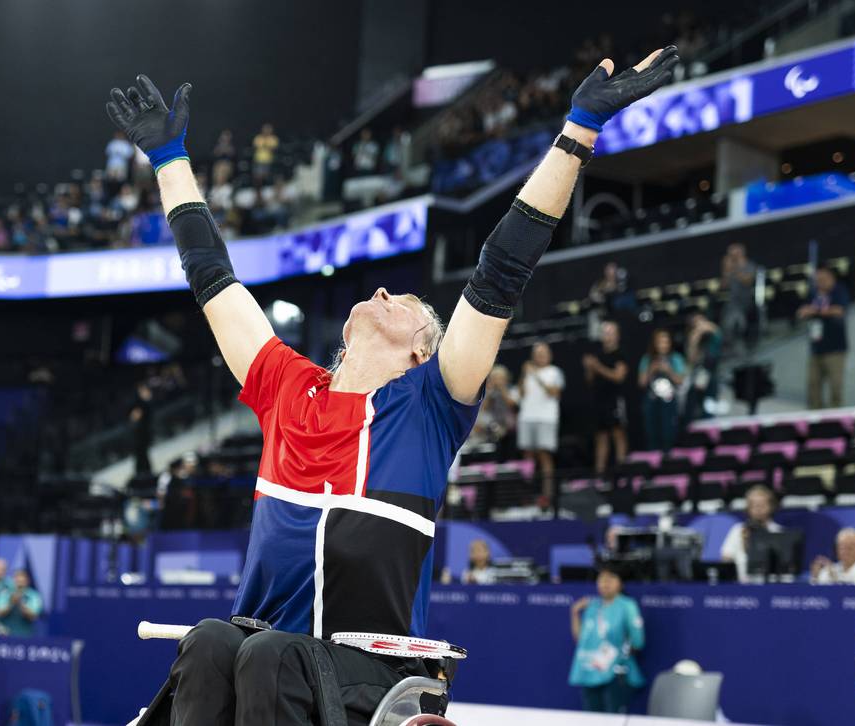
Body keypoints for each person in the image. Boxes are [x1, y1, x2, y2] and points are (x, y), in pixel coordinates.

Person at [106, 45, 679, 725]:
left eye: (403, 300)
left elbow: (501, 271)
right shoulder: (287, 387)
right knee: (209, 642)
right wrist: (171, 163)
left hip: (373, 674)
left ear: (422, 348)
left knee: (265, 656)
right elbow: (212, 278)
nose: (382, 290)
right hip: (267, 655)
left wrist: (577, 132)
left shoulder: (432, 401)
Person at [568, 566, 645, 714]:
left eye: (610, 579)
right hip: (590, 670)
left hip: (615, 673)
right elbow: (581, 639)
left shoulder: (627, 606)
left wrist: (620, 657)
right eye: (602, 579)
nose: (605, 583)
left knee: (613, 718)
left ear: (620, 583)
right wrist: (575, 613)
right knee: (592, 718)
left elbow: (637, 641)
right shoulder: (592, 606)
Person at [517, 341, 565, 510]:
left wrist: (536, 375)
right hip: (527, 418)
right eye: (537, 354)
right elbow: (520, 394)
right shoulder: (527, 372)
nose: (540, 356)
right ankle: (527, 495)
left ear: (549, 355)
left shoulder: (555, 372)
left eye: (543, 353)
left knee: (545, 456)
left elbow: (555, 393)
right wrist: (524, 375)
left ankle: (547, 496)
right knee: (528, 457)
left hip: (546, 418)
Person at [797, 264, 850, 409]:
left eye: (823, 279)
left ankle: (835, 421)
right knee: (813, 386)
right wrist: (809, 311)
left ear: (831, 278)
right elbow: (802, 312)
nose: (820, 282)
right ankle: (815, 422)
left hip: (835, 349)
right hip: (816, 348)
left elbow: (839, 310)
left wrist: (815, 310)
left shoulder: (839, 291)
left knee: (835, 387)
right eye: (817, 279)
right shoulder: (813, 294)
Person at [584, 321, 628, 475]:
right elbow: (590, 380)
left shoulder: (619, 355)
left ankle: (622, 471)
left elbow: (618, 377)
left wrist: (597, 367)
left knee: (618, 433)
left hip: (614, 400)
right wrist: (589, 368)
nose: (607, 336)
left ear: (617, 335)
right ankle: (600, 475)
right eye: (605, 333)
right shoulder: (597, 354)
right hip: (599, 401)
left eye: (610, 333)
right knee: (601, 437)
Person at [720, 485, 782, 584]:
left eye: (762, 505)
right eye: (754, 505)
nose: (758, 509)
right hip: (739, 586)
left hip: (769, 586)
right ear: (748, 508)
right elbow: (726, 559)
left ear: (771, 506)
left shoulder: (778, 532)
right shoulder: (737, 530)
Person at [639, 329, 686, 451]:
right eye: (660, 342)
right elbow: (641, 383)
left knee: (668, 431)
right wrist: (651, 370)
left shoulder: (676, 358)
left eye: (666, 341)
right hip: (652, 400)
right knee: (651, 431)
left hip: (669, 400)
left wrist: (668, 370)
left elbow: (681, 381)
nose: (663, 345)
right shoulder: (647, 359)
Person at [682, 312, 722, 426]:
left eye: (701, 321)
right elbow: (691, 358)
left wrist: (703, 327)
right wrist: (695, 337)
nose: (699, 325)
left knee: (710, 403)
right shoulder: (692, 338)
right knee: (695, 403)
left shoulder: (712, 335)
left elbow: (716, 331)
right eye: (695, 323)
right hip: (697, 374)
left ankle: (709, 423)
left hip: (711, 373)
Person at [468, 364, 516, 452]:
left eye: (500, 378)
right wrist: (490, 392)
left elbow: (512, 405)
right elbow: (483, 408)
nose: (498, 381)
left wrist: (502, 390)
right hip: (493, 422)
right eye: (495, 378)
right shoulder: (490, 391)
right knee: (478, 419)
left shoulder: (511, 389)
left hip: (508, 422)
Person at [720, 243, 757, 351]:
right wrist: (726, 271)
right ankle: (730, 345)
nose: (732, 257)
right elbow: (723, 286)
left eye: (733, 254)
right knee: (728, 320)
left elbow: (748, 281)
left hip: (747, 301)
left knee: (736, 319)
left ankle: (742, 344)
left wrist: (735, 269)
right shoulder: (730, 268)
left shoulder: (749, 265)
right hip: (733, 302)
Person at [0, 569, 43, 637]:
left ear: (27, 582)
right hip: (4, 636)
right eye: (17, 582)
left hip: (25, 637)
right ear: (13, 581)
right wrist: (11, 603)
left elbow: (33, 616)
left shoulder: (34, 595)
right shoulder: (4, 594)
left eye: (22, 583)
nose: (19, 586)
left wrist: (20, 603)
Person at [129, 381, 155, 478]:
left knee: (142, 455)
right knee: (141, 456)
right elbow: (134, 418)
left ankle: (144, 475)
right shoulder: (140, 404)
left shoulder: (144, 403)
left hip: (144, 433)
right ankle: (143, 475)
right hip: (140, 434)